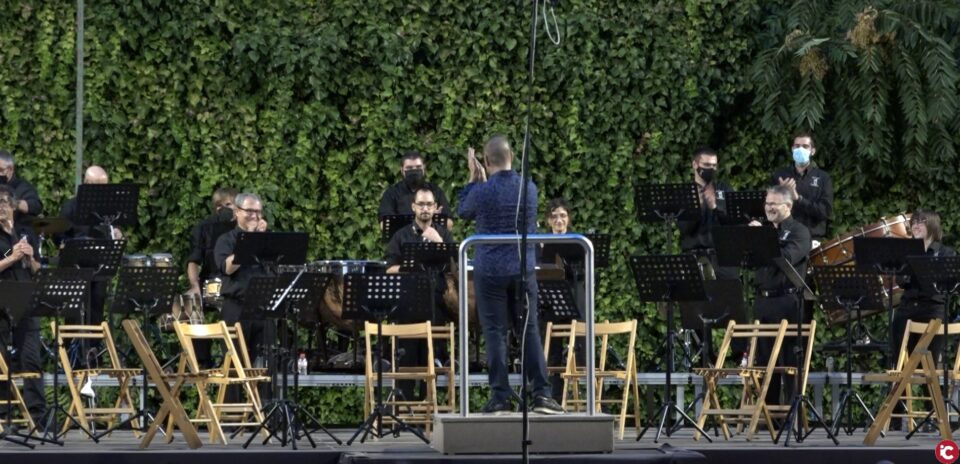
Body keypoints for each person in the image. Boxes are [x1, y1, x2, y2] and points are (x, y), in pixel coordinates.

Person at [458, 135, 563, 415]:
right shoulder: (529, 188)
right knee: (529, 329)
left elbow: (463, 210)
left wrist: (473, 179)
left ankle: (500, 397)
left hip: (490, 270)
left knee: (495, 332)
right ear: (512, 157)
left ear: (485, 161)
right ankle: (541, 394)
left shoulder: (483, 190)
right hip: (522, 269)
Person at [384, 187, 454, 402]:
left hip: (436, 305)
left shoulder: (443, 234)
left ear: (436, 208)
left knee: (431, 361)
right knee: (406, 362)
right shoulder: (401, 236)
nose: (425, 208)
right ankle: (404, 410)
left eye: (429, 204)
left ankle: (429, 408)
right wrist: (410, 266)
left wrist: (438, 242)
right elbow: (389, 269)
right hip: (408, 305)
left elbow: (454, 268)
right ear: (413, 207)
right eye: (421, 204)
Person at [748, 185, 811, 405]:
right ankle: (768, 414)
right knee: (764, 362)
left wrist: (763, 238)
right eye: (767, 203)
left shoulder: (799, 231)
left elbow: (786, 259)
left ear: (788, 206)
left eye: (774, 204)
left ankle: (794, 413)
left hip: (788, 302)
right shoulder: (765, 230)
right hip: (763, 301)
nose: (769, 208)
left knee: (790, 360)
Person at [0, 184, 45, 423]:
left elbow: (38, 269)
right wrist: (12, 257)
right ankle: (3, 413)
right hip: (2, 301)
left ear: (13, 207)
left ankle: (37, 414)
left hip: (26, 299)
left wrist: (30, 258)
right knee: (1, 359)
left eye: (5, 203)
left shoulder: (25, 231)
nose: (1, 208)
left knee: (31, 357)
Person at [214, 192, 271, 378]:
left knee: (264, 370)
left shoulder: (267, 239)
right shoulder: (226, 240)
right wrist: (249, 239)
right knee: (235, 370)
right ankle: (234, 399)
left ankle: (262, 398)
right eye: (249, 211)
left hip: (262, 309)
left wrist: (260, 238)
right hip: (236, 308)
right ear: (237, 212)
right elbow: (228, 268)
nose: (254, 216)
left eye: (258, 212)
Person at [57, 166, 122, 328]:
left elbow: (114, 231)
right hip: (75, 268)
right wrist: (71, 246)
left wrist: (117, 233)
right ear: (86, 183)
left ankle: (94, 343)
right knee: (73, 312)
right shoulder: (71, 205)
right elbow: (59, 234)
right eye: (97, 186)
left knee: (96, 310)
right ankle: (72, 344)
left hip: (99, 267)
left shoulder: (109, 209)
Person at [891, 209, 955, 365]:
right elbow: (901, 281)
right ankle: (901, 379)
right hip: (907, 308)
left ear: (933, 225)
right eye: (913, 222)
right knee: (900, 362)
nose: (915, 226)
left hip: (932, 309)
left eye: (921, 222)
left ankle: (928, 379)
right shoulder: (907, 252)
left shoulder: (945, 253)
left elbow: (946, 283)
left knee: (927, 364)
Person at [677, 147, 737, 281]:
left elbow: (733, 223)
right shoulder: (685, 193)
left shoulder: (724, 189)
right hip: (694, 258)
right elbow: (684, 229)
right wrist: (697, 206)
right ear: (695, 165)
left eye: (714, 166)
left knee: (728, 294)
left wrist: (715, 206)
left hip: (723, 259)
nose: (711, 169)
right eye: (707, 165)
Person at [770, 132, 833, 244]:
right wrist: (782, 196)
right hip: (784, 237)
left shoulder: (823, 178)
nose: (800, 149)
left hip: (812, 239)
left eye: (805, 146)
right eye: (797, 146)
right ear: (792, 149)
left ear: (812, 151)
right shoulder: (780, 175)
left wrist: (798, 199)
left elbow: (824, 212)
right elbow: (770, 208)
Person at [378, 151, 453, 230]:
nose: (414, 171)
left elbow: (449, 224)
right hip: (401, 238)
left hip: (431, 237)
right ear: (402, 170)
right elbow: (384, 225)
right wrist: (425, 218)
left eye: (418, 167)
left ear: (424, 168)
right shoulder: (391, 193)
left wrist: (432, 218)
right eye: (409, 168)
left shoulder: (435, 191)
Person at [187, 187, 238, 296]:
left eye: (228, 204)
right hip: (211, 283)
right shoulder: (204, 227)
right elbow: (193, 260)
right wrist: (195, 286)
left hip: (238, 284)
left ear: (238, 206)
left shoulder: (244, 226)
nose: (224, 209)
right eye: (219, 205)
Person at [0, 149, 43, 223]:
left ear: (10, 169)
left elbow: (35, 206)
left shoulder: (23, 187)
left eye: (0, 170)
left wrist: (13, 203)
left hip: (17, 227)